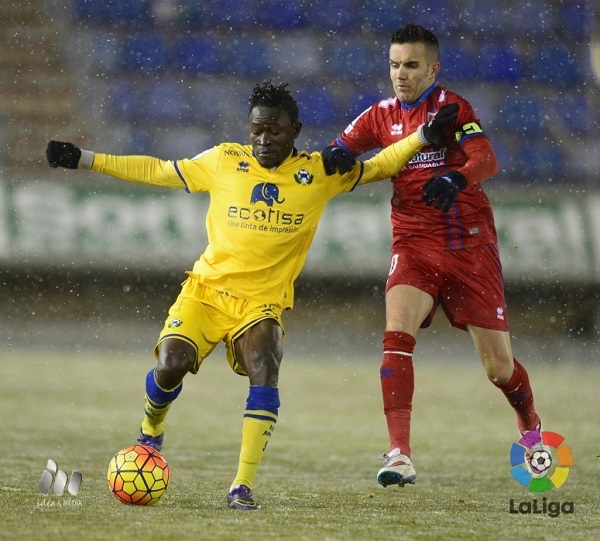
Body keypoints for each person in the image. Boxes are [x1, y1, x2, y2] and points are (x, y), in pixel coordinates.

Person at [46, 80, 457, 510]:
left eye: (274, 131)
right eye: (256, 131)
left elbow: (379, 165)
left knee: (266, 365)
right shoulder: (224, 160)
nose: (262, 140)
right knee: (171, 365)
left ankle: (240, 486)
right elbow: (159, 170)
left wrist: (422, 137)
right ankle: (151, 430)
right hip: (205, 292)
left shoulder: (317, 173)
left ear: (295, 130)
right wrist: (85, 159)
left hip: (261, 305)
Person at [322, 24, 543, 488]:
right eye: (394, 65)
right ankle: (399, 453)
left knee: (498, 369)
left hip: (469, 245)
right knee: (395, 333)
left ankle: (530, 426)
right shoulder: (379, 115)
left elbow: (487, 160)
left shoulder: (453, 109)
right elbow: (338, 151)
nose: (400, 75)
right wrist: (333, 159)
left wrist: (458, 178)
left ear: (433, 68)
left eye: (411, 65)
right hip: (414, 244)